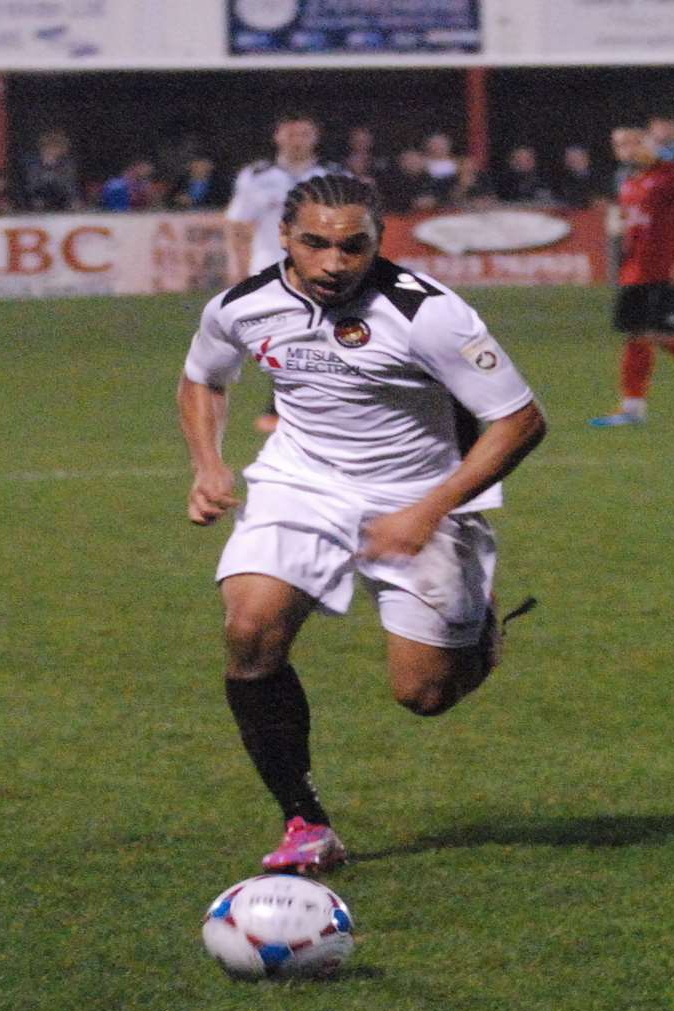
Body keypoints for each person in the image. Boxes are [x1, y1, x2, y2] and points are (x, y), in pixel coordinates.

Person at [178, 175, 547, 873]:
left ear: (378, 242)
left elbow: (521, 420)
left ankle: (479, 631)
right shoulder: (243, 306)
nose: (333, 263)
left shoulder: (431, 315)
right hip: (303, 484)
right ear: (284, 237)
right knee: (250, 631)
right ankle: (305, 823)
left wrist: (427, 509)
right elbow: (204, 377)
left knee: (425, 694)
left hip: (423, 491)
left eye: (354, 246)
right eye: (314, 244)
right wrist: (208, 464)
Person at [590, 126, 674, 427]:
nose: (627, 149)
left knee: (665, 335)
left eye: (634, 142)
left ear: (650, 144)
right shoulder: (629, 182)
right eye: (620, 144)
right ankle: (632, 408)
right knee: (637, 335)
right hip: (638, 272)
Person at [225, 112, 346, 433]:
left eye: (304, 134)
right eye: (291, 135)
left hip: (320, 268)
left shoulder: (332, 176)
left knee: (316, 336)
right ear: (278, 137)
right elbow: (238, 225)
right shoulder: (256, 176)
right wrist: (238, 270)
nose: (297, 141)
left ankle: (289, 407)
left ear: (315, 137)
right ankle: (292, 405)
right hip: (270, 269)